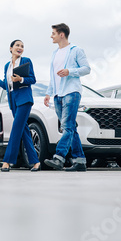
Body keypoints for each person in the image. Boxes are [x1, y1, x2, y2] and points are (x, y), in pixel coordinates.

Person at [0, 40, 41, 172]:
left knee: (16, 129)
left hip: (24, 99)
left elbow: (33, 79)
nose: (20, 48)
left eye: (22, 46)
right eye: (17, 45)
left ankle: (7, 161)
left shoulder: (26, 60)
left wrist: (20, 79)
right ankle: (35, 162)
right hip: (13, 100)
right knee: (24, 131)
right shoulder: (7, 66)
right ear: (11, 48)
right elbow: (6, 86)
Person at [43, 23, 91, 172]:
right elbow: (53, 76)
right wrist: (48, 93)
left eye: (53, 33)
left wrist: (69, 71)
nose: (51, 36)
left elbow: (86, 69)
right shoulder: (54, 53)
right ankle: (80, 161)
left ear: (61, 34)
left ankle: (59, 157)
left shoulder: (75, 50)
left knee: (67, 127)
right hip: (58, 95)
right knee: (71, 128)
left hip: (72, 92)